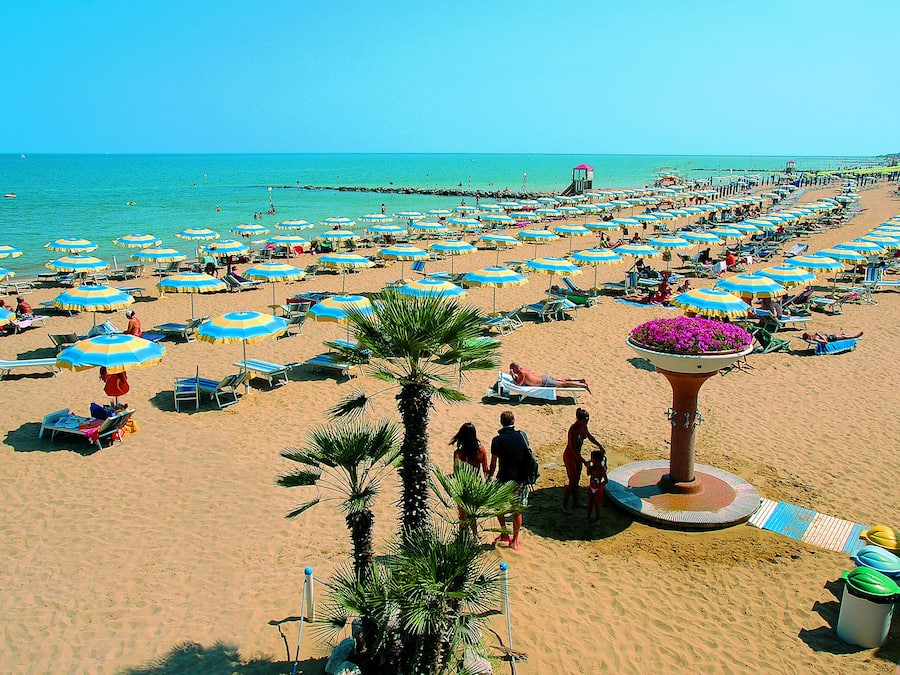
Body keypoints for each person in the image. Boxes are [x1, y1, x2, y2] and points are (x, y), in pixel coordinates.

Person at [487, 410, 532, 551]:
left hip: (503, 477)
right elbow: (527, 456)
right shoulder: (521, 436)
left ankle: (503, 532)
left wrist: (489, 477)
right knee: (517, 510)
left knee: (498, 505)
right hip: (520, 478)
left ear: (502, 423)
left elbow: (493, 463)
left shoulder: (497, 440)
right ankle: (515, 541)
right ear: (513, 422)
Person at [561, 408, 606, 514]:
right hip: (570, 456)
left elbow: (589, 437)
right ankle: (564, 504)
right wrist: (584, 461)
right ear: (579, 419)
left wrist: (599, 445)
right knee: (572, 481)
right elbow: (572, 449)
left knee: (577, 479)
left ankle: (576, 502)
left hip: (577, 456)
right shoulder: (573, 429)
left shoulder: (583, 426)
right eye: (585, 419)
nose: (587, 421)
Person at [449, 422, 489, 536]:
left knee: (462, 515)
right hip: (476, 485)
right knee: (472, 514)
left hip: (462, 486)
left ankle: (463, 536)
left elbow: (457, 473)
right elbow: (485, 471)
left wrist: (449, 477)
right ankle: (476, 536)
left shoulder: (458, 453)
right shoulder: (481, 450)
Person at [509, 362, 591, 394]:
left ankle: (583, 385)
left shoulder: (521, 373)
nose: (511, 370)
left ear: (515, 369)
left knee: (564, 384)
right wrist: (514, 375)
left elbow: (518, 384)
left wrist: (512, 375)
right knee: (563, 380)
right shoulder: (522, 369)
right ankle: (580, 380)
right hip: (544, 378)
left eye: (512, 369)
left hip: (544, 382)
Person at [585, 449, 609, 524]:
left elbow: (606, 480)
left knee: (596, 505)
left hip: (597, 489)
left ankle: (597, 519)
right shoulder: (593, 467)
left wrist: (599, 486)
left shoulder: (602, 469)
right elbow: (588, 474)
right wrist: (588, 466)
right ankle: (588, 517)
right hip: (591, 487)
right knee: (590, 503)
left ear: (596, 460)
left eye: (592, 458)